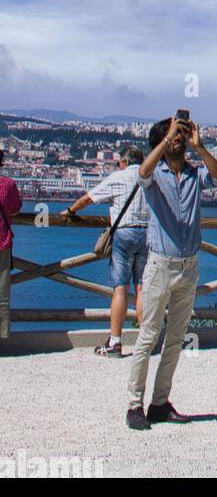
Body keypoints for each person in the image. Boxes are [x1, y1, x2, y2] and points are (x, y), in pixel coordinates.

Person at [125, 116, 217, 431]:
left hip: (188, 266)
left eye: (182, 133)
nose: (179, 138)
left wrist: (200, 146)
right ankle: (133, 404)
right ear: (162, 141)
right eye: (174, 135)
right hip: (160, 265)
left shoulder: (196, 174)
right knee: (148, 336)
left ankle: (160, 403)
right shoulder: (154, 175)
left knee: (176, 339)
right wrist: (166, 140)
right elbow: (141, 172)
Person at [64, 146, 149, 357]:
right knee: (142, 288)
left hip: (124, 234)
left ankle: (115, 342)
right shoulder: (151, 179)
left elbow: (87, 199)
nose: (117, 165)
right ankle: (145, 342)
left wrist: (69, 211)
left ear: (125, 162)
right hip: (148, 236)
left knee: (120, 288)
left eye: (118, 162)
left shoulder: (118, 177)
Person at [0, 148, 23, 341]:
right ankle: (2, 334)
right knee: (1, 291)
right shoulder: (8, 185)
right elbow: (16, 207)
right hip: (2, 241)